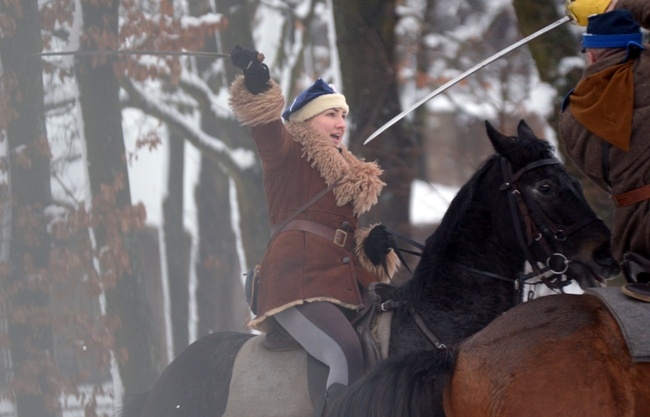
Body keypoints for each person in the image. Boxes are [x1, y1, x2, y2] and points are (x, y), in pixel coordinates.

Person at [228, 46, 400, 415]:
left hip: (338, 285)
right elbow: (267, 127)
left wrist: (372, 250)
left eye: (343, 115)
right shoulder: (287, 153)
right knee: (345, 352)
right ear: (306, 121)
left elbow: (341, 246)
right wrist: (258, 84)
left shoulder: (347, 178)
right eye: (331, 115)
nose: (341, 123)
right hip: (295, 283)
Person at [559, 7, 650, 302]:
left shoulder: (571, 115)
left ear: (591, 55)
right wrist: (624, 2)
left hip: (634, 243)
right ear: (635, 48)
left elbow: (603, 177)